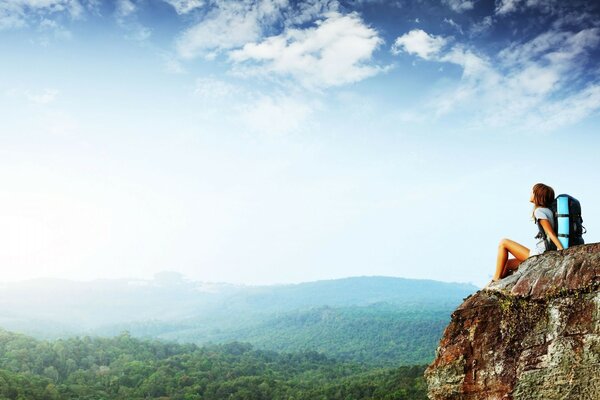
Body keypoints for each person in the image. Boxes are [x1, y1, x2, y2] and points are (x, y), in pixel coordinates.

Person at [488, 183, 564, 286]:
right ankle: (497, 284)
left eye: (533, 192)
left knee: (503, 242)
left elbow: (550, 232)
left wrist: (562, 250)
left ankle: (495, 280)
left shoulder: (539, 211)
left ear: (538, 196)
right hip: (543, 252)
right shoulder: (548, 210)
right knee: (507, 264)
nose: (530, 193)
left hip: (540, 254)